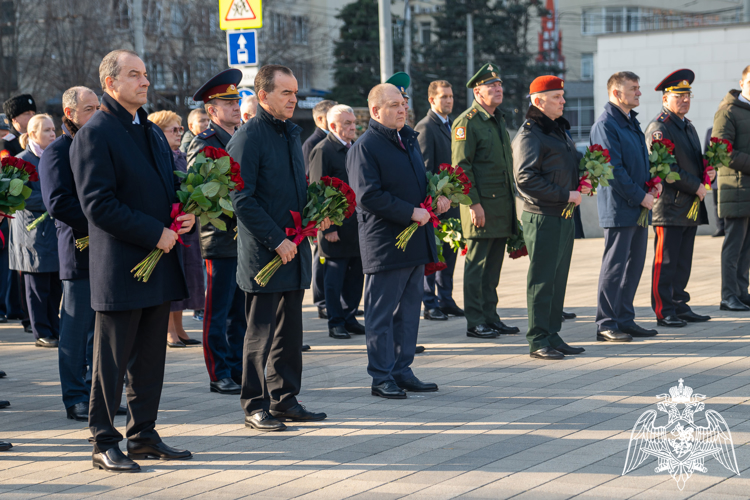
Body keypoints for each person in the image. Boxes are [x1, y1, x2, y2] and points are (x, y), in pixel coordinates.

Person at [70, 49, 194, 472]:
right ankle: (103, 441)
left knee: (149, 357)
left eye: (145, 74)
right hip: (122, 266)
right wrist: (153, 232)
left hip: (158, 262)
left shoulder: (152, 131)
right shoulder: (96, 132)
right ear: (110, 84)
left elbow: (163, 188)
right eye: (134, 75)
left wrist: (183, 214)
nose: (144, 82)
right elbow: (98, 204)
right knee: (111, 360)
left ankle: (142, 434)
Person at [228, 64, 330, 431]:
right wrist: (276, 239)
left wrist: (316, 215)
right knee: (259, 333)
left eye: (295, 92)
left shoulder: (290, 133)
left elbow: (294, 188)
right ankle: (255, 404)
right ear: (263, 96)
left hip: (294, 247)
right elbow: (241, 198)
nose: (294, 99)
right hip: (265, 253)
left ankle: (284, 399)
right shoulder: (249, 137)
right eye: (286, 93)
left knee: (290, 332)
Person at [347, 82, 449, 399]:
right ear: (376, 111)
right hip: (386, 244)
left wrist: (435, 200)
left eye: (403, 103)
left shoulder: (407, 140)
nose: (402, 108)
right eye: (393, 105)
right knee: (381, 315)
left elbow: (416, 184)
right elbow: (367, 196)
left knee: (407, 313)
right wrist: (410, 212)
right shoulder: (365, 146)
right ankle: (381, 376)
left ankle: (402, 370)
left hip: (414, 241)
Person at [39, 86, 128, 422]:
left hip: (108, 250)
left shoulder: (99, 143)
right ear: (69, 112)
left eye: (98, 107)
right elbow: (58, 203)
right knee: (76, 331)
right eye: (89, 108)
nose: (96, 113)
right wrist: (101, 223)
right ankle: (74, 396)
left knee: (100, 332)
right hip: (79, 249)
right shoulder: (58, 151)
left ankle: (96, 392)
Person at [512, 76, 589, 360]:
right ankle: (537, 339)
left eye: (562, 96)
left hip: (562, 215)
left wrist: (584, 178)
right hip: (543, 216)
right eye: (557, 97)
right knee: (542, 280)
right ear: (538, 101)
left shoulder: (555, 130)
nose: (563, 101)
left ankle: (552, 333)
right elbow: (525, 179)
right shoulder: (530, 134)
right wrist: (564, 194)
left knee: (557, 279)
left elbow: (565, 163)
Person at [187, 69, 247, 395]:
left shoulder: (242, 137)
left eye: (237, 100)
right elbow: (200, 192)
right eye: (228, 102)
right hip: (219, 237)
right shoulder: (204, 143)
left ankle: (237, 368)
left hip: (244, 238)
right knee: (218, 312)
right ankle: (219, 373)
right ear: (212, 110)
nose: (236, 106)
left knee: (240, 313)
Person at [590, 71, 661, 342]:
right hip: (620, 208)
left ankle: (625, 319)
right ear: (617, 93)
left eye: (638, 88)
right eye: (634, 88)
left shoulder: (630, 121)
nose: (639, 93)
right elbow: (613, 170)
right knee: (615, 266)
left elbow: (639, 162)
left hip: (638, 206)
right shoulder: (606, 124)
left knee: (634, 266)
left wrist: (653, 184)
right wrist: (639, 196)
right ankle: (606, 323)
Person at [452, 63, 520, 339]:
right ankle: (475, 320)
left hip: (501, 205)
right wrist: (472, 204)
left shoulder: (497, 119)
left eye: (499, 85)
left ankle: (491, 317)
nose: (498, 89)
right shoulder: (466, 122)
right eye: (491, 86)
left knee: (493, 268)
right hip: (480, 207)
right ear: (477, 92)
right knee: (477, 267)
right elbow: (461, 169)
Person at [645, 70, 713, 326]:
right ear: (665, 99)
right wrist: (696, 185)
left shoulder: (688, 126)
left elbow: (692, 161)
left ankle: (679, 303)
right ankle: (664, 310)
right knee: (667, 261)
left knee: (683, 260)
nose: (685, 100)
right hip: (670, 206)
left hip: (689, 205)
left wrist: (707, 170)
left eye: (687, 95)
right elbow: (665, 169)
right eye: (679, 96)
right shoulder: (660, 127)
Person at [149, 110, 205, 347]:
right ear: (159, 132)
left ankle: (180, 328)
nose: (179, 133)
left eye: (180, 129)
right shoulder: (158, 156)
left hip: (185, 226)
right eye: (174, 129)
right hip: (169, 227)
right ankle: (169, 331)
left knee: (186, 277)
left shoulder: (180, 155)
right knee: (172, 277)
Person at [308, 104, 364, 340]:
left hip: (356, 226)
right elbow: (317, 191)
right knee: (334, 277)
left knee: (355, 276)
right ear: (332, 126)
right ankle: (336, 322)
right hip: (335, 228)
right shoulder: (323, 150)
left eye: (353, 123)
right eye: (347, 124)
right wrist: (328, 226)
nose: (354, 127)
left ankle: (350, 317)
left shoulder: (355, 148)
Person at [9, 113, 60, 348]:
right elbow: (20, 197)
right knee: (38, 287)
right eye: (47, 130)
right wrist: (55, 201)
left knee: (55, 286)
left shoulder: (56, 157)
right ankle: (41, 331)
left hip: (54, 232)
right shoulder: (21, 161)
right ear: (32, 134)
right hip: (32, 235)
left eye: (53, 129)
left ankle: (55, 328)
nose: (53, 134)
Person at [415, 80, 464, 321]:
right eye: (443, 96)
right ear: (432, 100)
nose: (449, 100)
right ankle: (429, 302)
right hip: (434, 205)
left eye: (451, 96)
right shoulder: (426, 126)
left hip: (451, 203)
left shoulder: (452, 125)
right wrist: (434, 198)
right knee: (433, 254)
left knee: (450, 251)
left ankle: (446, 299)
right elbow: (424, 169)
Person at [714, 65, 750, 311]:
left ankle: (741, 292)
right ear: (742, 82)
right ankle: (728, 296)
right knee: (733, 246)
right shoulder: (727, 111)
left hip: (748, 190)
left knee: (746, 247)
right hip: (735, 189)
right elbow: (721, 151)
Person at [302, 99, 337, 321]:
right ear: (320, 119)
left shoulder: (332, 141)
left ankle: (335, 302)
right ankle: (322, 300)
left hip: (333, 211)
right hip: (320, 212)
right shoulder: (313, 143)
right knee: (320, 256)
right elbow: (312, 180)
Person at [1, 94, 36, 158]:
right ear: (14, 119)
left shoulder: (37, 138)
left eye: (33, 113)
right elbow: (8, 167)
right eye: (27, 114)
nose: (32, 117)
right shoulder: (6, 143)